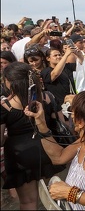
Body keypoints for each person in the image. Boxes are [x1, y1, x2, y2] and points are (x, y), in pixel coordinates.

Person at [1, 62, 65, 210]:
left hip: (20, 156)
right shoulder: (47, 97)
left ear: (10, 82)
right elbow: (62, 123)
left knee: (28, 202)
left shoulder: (5, 106)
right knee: (56, 197)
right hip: (48, 148)